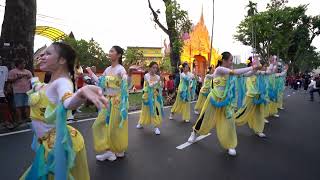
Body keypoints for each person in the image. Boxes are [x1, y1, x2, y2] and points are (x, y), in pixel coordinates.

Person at [21, 42, 108, 179]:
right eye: (43, 54)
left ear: (62, 60)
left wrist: (80, 93)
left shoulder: (63, 83)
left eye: (48, 53)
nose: (43, 56)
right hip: (45, 144)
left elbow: (68, 101)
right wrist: (34, 81)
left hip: (56, 146)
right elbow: (38, 86)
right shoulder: (49, 84)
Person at [187, 52, 260, 156]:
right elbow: (234, 72)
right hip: (214, 98)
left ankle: (230, 145)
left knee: (229, 122)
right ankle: (194, 133)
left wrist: (255, 69)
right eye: (230, 60)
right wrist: (252, 67)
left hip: (226, 101)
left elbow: (246, 74)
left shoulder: (229, 71)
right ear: (224, 61)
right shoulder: (219, 69)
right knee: (204, 118)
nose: (231, 62)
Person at [87, 45, 129, 162]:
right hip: (107, 101)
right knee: (98, 125)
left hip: (117, 101)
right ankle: (109, 150)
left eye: (112, 51)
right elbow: (100, 82)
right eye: (109, 50)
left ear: (118, 55)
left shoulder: (120, 69)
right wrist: (90, 73)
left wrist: (125, 78)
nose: (109, 53)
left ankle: (115, 150)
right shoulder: (107, 69)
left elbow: (124, 77)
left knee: (113, 128)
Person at [234, 56, 275, 138]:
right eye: (264, 66)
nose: (265, 68)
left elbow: (269, 72)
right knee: (243, 112)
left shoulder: (260, 73)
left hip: (259, 96)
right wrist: (256, 63)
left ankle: (259, 130)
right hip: (251, 96)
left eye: (265, 66)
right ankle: (232, 121)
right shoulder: (254, 72)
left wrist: (272, 64)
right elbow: (256, 70)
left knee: (259, 113)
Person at [136, 61, 164, 135]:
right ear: (150, 68)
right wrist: (158, 80)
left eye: (156, 68)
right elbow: (150, 85)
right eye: (153, 67)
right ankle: (140, 122)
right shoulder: (146, 75)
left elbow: (161, 87)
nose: (155, 69)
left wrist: (162, 80)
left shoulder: (158, 77)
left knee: (155, 111)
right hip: (147, 96)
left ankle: (156, 127)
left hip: (155, 96)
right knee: (145, 110)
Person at [8, 58, 32, 123]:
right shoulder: (13, 71)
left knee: (27, 105)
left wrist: (30, 78)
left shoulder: (28, 71)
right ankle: (19, 119)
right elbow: (9, 80)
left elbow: (32, 80)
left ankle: (28, 118)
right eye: (22, 64)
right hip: (17, 91)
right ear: (17, 64)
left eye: (24, 63)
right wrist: (17, 78)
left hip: (27, 91)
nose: (23, 65)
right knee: (18, 106)